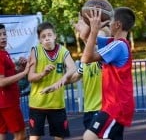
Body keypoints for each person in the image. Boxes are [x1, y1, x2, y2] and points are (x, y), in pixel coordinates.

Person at [41, 18, 111, 130]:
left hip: (103, 109)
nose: (96, 41)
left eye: (99, 39)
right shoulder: (86, 62)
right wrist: (55, 84)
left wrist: (87, 31)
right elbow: (75, 77)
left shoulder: (104, 59)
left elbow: (90, 44)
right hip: (89, 109)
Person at [80, 7, 135, 140]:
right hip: (113, 105)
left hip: (116, 107)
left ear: (117, 25)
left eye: (110, 21)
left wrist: (95, 29)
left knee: (89, 136)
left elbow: (86, 58)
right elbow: (85, 37)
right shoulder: (113, 43)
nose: (108, 24)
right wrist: (90, 23)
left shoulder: (118, 46)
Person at [27, 22, 76, 140]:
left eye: (49, 35)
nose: (47, 38)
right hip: (38, 103)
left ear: (55, 36)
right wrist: (43, 73)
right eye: (43, 36)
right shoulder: (36, 51)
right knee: (34, 137)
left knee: (60, 137)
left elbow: (73, 67)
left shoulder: (63, 50)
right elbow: (30, 77)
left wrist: (64, 78)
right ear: (39, 40)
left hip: (57, 104)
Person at [0, 23, 31, 140]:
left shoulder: (4, 52)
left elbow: (10, 74)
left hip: (5, 102)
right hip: (8, 102)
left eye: (4, 34)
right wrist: (24, 73)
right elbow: (1, 82)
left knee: (2, 133)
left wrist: (21, 68)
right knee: (21, 135)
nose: (3, 37)